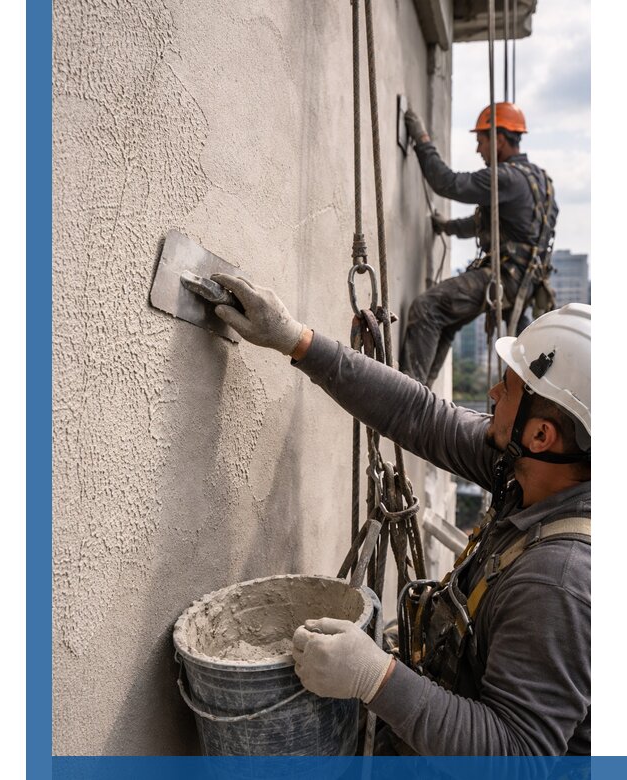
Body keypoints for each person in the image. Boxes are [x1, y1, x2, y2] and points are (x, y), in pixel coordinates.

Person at [210, 272, 590, 756]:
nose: (493, 395)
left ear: (541, 436)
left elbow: (517, 756)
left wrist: (377, 678)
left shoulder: (558, 582)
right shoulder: (534, 471)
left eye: (509, 389)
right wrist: (296, 339)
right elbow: (422, 415)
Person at [399, 102, 558, 387]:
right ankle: (421, 395)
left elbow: (448, 183)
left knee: (427, 308)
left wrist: (423, 141)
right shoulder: (541, 182)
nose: (478, 150)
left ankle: (407, 400)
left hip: (505, 278)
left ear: (498, 139)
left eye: (480, 141)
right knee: (445, 321)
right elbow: (489, 224)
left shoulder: (505, 178)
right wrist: (446, 226)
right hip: (524, 283)